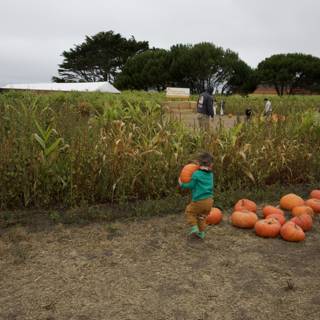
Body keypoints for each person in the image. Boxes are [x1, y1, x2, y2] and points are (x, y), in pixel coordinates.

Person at [179, 152, 215, 240]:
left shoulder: (196, 174)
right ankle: (201, 234)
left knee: (189, 212)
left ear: (198, 164)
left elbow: (191, 185)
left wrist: (182, 184)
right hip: (209, 201)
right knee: (201, 217)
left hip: (199, 200)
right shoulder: (211, 175)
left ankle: (194, 228)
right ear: (211, 165)